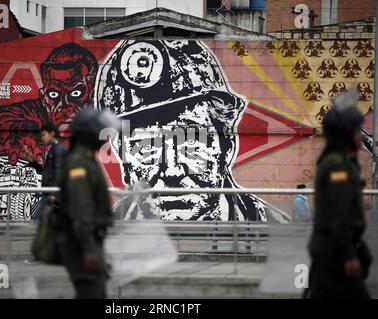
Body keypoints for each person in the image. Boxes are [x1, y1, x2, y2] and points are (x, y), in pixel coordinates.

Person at [95, 40, 266, 222]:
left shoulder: (274, 232)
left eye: (191, 144)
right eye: (146, 149)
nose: (172, 173)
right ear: (125, 163)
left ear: (226, 150)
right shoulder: (108, 234)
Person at [304, 90, 372, 299]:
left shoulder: (344, 161)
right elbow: (338, 217)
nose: (361, 135)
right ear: (345, 133)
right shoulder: (337, 167)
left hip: (333, 250)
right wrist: (349, 256)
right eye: (357, 130)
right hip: (335, 252)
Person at [56, 109, 120, 299]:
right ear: (90, 133)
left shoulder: (84, 159)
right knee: (92, 294)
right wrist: (89, 250)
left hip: (86, 243)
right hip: (81, 246)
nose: (105, 134)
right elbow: (81, 209)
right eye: (101, 130)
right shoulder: (79, 164)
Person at [24, 123, 66, 220]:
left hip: (51, 195)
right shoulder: (54, 148)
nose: (42, 138)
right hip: (49, 194)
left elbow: (58, 172)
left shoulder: (58, 149)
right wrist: (33, 162)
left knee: (37, 223)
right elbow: (47, 172)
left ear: (51, 134)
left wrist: (55, 193)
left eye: (44, 135)